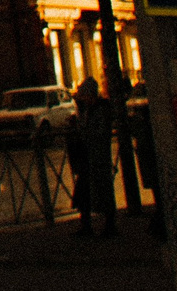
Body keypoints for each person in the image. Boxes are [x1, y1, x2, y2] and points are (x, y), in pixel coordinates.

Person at [70, 77, 117, 237]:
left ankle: (109, 226)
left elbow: (97, 132)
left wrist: (84, 133)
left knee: (102, 192)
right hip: (89, 157)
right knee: (85, 193)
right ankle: (89, 225)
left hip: (97, 157)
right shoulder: (88, 110)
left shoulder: (100, 110)